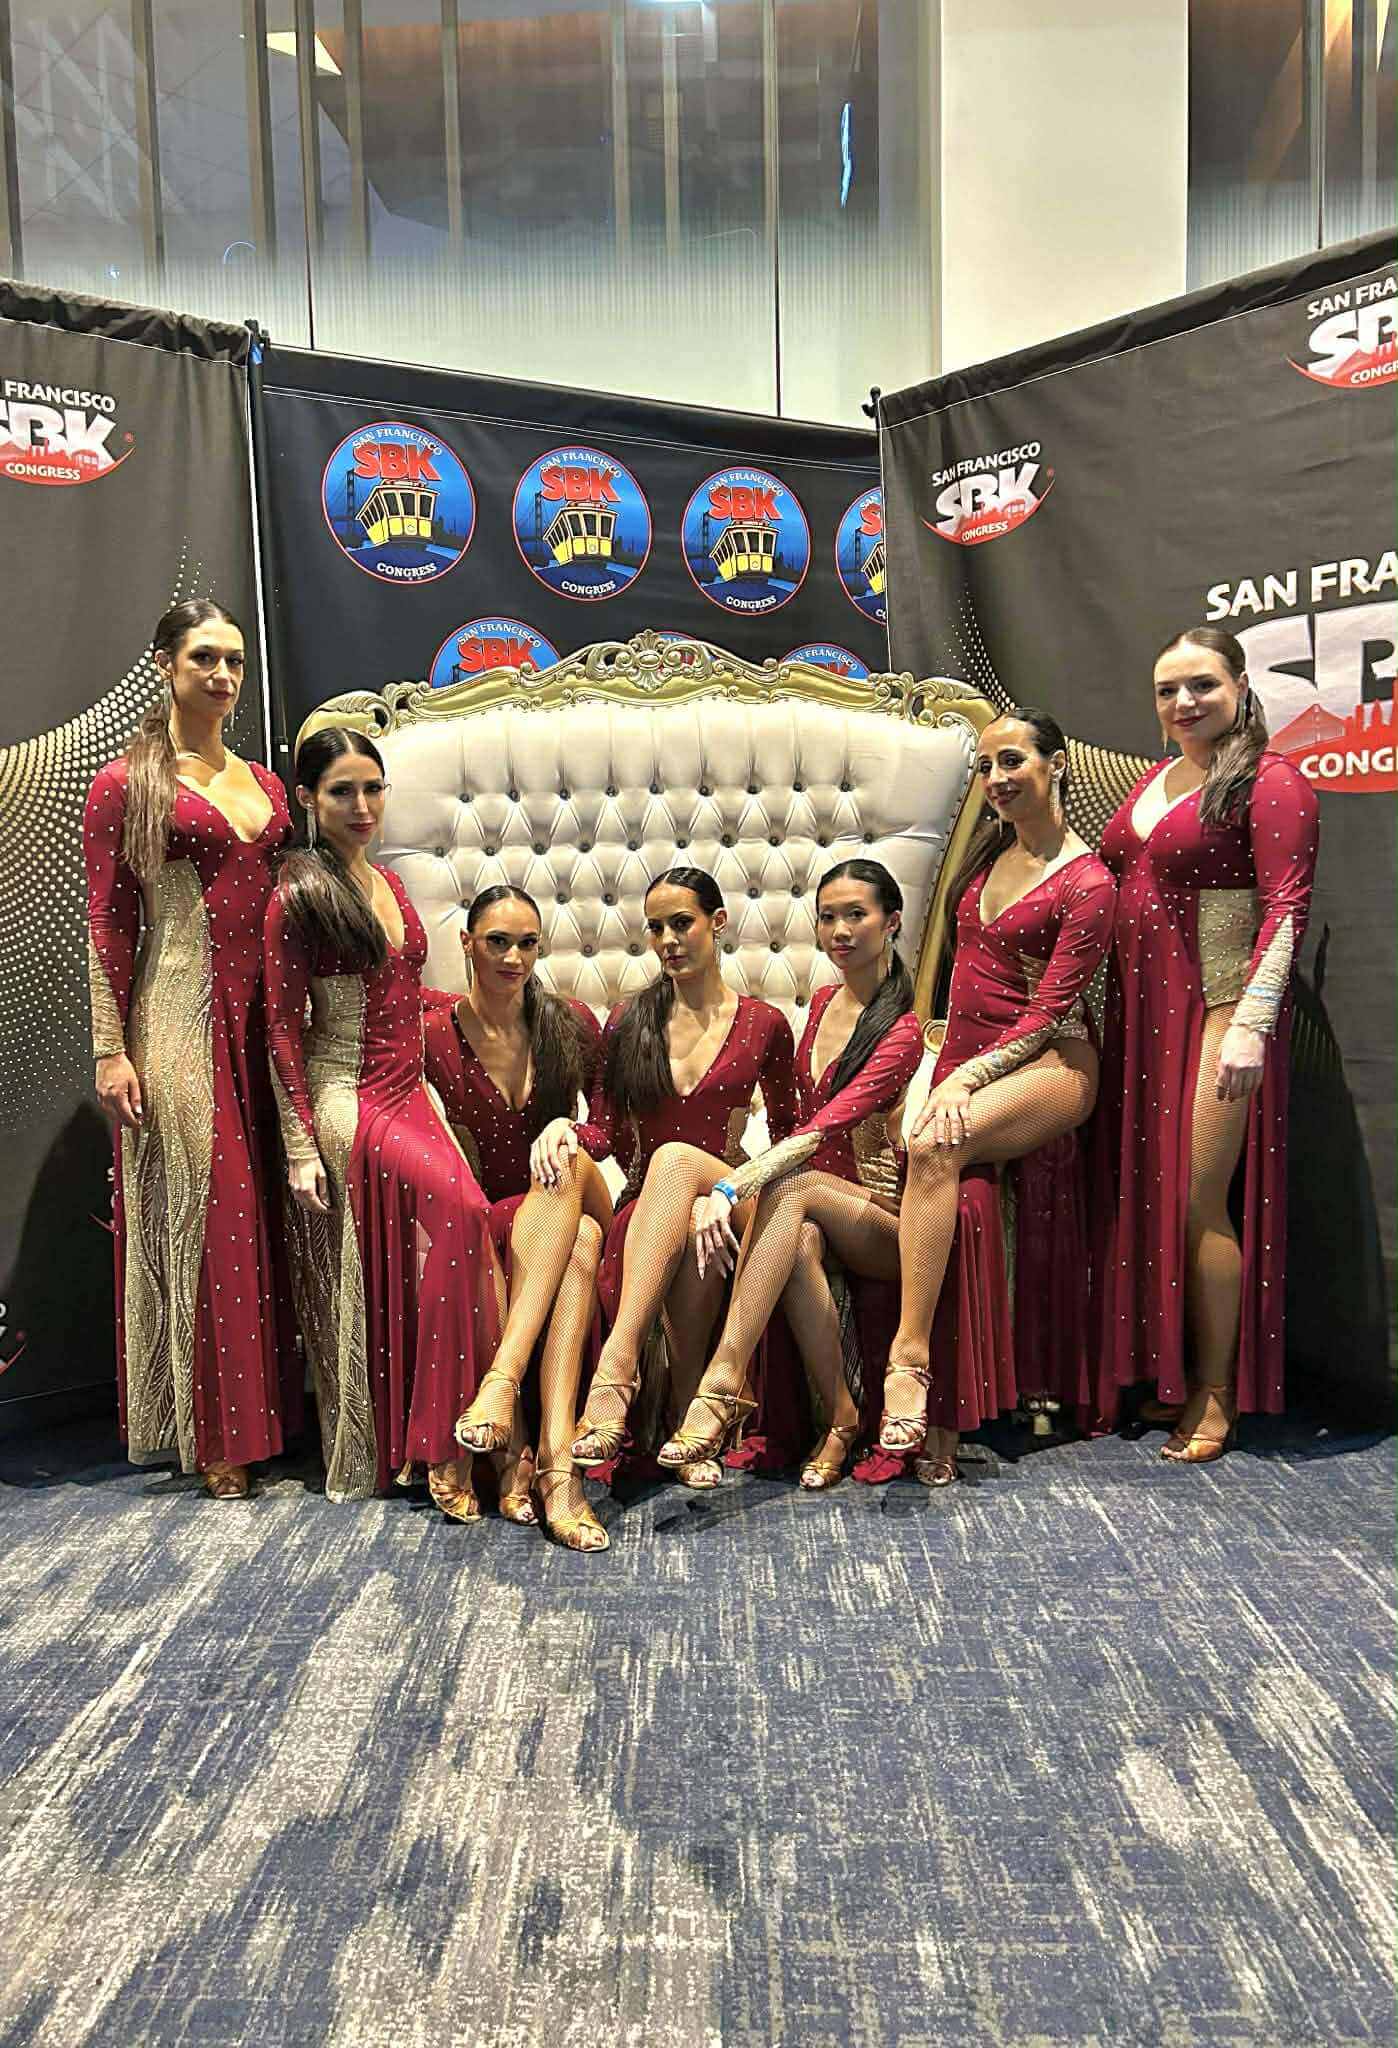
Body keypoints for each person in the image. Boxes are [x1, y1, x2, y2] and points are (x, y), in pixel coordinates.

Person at [265, 728, 519, 1521]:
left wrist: (495, 1012)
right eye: (342, 791)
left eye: (372, 788)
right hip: (347, 1093)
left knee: (462, 1234)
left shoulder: (390, 883)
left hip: (410, 1090)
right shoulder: (297, 894)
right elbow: (280, 1029)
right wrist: (300, 1145)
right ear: (307, 798)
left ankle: (472, 1434)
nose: (362, 805)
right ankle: (442, 1445)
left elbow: (409, 996)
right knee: (465, 1210)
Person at [84, 598, 300, 1499]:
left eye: (235, 661)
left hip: (271, 1019)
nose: (223, 675)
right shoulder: (126, 784)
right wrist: (110, 1048)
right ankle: (219, 1432)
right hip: (179, 1017)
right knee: (215, 1215)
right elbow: (107, 919)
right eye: (205, 657)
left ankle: (284, 1412)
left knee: (276, 1211)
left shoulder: (268, 785)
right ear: (165, 665)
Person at [1095, 627, 1319, 1461]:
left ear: (1241, 686)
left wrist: (1254, 1023)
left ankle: (1218, 1389)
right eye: (1168, 690)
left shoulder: (1273, 780)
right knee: (1154, 1202)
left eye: (1202, 685)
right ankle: (1175, 1373)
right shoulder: (1154, 780)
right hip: (1142, 1019)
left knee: (1196, 1198)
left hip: (1221, 1013)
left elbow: (1286, 906)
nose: (1184, 702)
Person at [875, 711, 1116, 1480]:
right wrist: (940, 1065)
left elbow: (1048, 1012)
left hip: (1053, 1065)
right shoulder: (988, 851)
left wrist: (964, 1078)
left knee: (935, 1142)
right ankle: (942, 1420)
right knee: (956, 1185)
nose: (997, 779)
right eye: (985, 767)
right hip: (968, 1059)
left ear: (1057, 763)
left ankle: (908, 1360)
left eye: (1011, 761)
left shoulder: (1088, 881)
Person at [654, 860, 926, 1487]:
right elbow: (789, 1116)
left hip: (883, 1220)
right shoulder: (825, 1001)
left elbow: (828, 1122)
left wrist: (732, 1186)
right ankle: (841, 1419)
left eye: (856, 915)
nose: (840, 930)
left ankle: (722, 1382)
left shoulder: (904, 1030)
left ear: (892, 922)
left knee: (791, 1186)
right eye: (828, 916)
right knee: (791, 1229)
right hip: (813, 1206)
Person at [530, 868, 800, 1484]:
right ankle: (685, 1417)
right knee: (683, 1213)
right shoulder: (630, 1021)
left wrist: (736, 1194)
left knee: (683, 1167)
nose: (668, 940)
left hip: (733, 1193)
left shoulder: (764, 1024)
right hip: (649, 1205)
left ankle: (616, 1372)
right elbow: (605, 1134)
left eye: (682, 923)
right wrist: (564, 1128)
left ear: (718, 923)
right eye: (656, 928)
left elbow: (790, 1135)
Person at [423, 885, 613, 1552]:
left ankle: (501, 1386)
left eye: (527, 943)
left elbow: (608, 1128)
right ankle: (555, 1469)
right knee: (579, 1243)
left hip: (571, 1186)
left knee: (563, 1169)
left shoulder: (571, 1022)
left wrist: (569, 1127)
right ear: (466, 943)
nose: (513, 958)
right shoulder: (432, 1034)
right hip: (497, 1220)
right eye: (497, 942)